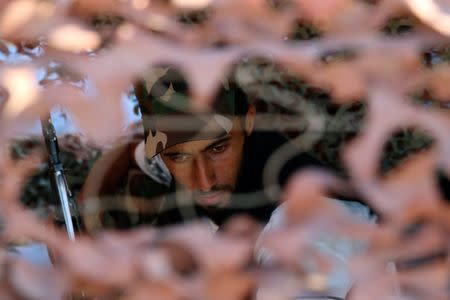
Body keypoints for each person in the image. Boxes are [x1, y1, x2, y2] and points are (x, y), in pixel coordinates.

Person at [78, 67, 371, 231]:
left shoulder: (307, 213)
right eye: (179, 156)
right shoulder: (165, 152)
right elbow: (131, 152)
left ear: (250, 121)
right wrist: (85, 209)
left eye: (217, 149)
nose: (204, 180)